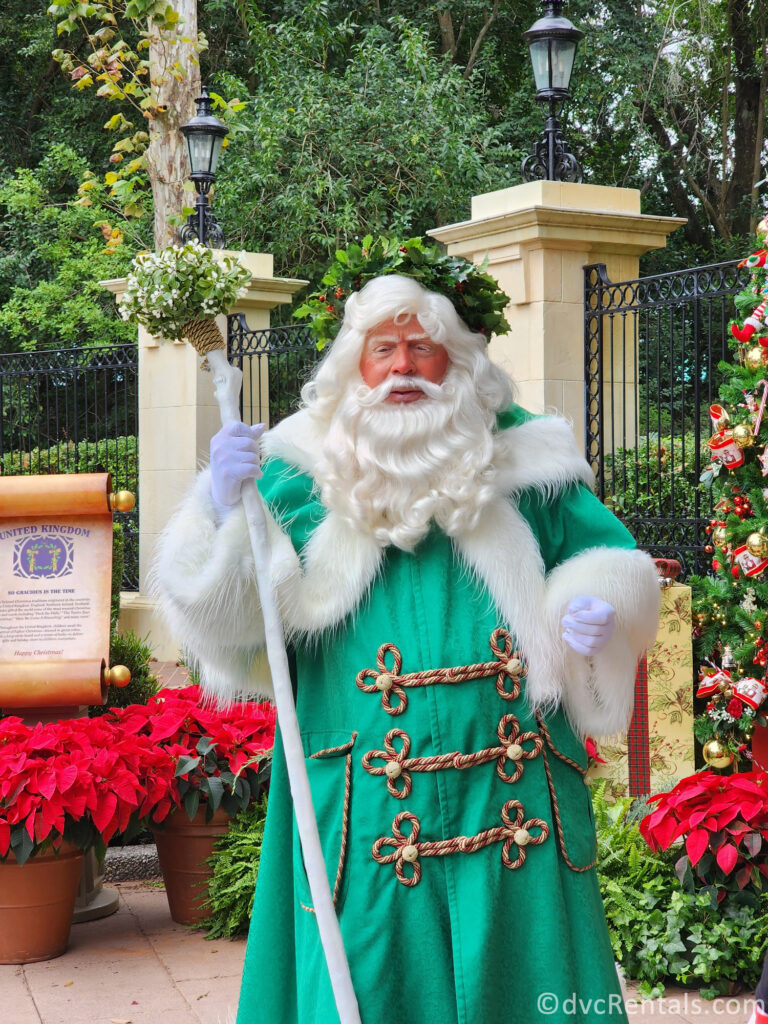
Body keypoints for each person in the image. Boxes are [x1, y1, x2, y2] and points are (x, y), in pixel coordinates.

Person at [155, 272, 660, 1024]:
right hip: (364, 813)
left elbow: (609, 566)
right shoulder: (295, 472)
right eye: (382, 348)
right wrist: (223, 506)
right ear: (352, 365)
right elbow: (232, 621)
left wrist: (594, 611)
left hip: (514, 800)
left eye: (421, 348)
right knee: (371, 980)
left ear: (457, 360)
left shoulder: (532, 462)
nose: (402, 368)